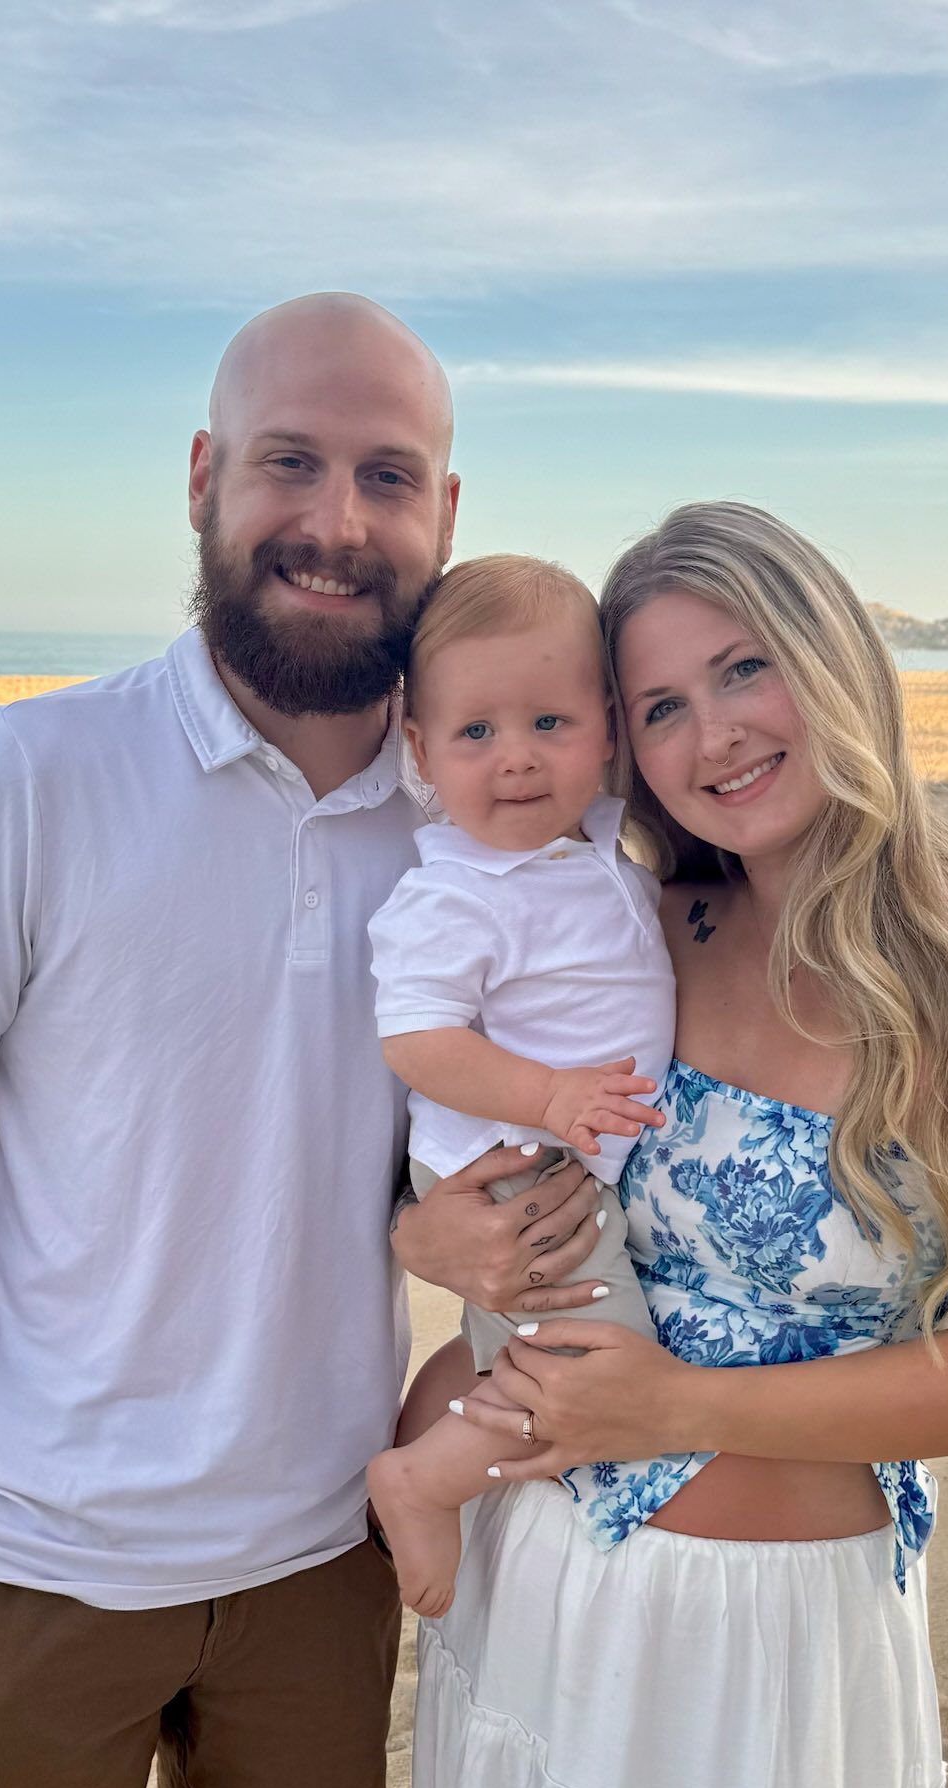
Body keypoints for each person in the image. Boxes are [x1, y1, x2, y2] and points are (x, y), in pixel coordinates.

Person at [0, 294, 603, 1788]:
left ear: (445, 514)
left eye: (385, 475)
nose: (334, 518)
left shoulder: (477, 804)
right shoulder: (28, 768)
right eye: (289, 463)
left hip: (325, 1525)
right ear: (201, 479)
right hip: (42, 1541)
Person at [380, 502, 948, 1788]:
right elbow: (443, 1139)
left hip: (769, 1646)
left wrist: (676, 1404)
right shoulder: (634, 926)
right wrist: (420, 1236)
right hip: (540, 1596)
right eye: (661, 704)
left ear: (836, 658)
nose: (712, 733)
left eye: (744, 670)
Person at [365, 556, 675, 1616]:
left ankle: (437, 1438)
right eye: (475, 733)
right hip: (513, 1162)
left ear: (606, 731)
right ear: (421, 749)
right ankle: (423, 1479)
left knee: (533, 1351)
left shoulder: (590, 840)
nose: (516, 761)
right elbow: (416, 1036)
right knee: (600, 1368)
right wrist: (547, 1099)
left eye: (551, 723)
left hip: (573, 1152)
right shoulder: (453, 889)